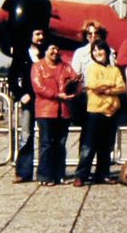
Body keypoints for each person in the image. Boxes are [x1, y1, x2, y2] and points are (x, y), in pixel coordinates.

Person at [73, 40, 126, 187]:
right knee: (88, 146)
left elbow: (121, 87)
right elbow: (93, 85)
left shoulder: (114, 70)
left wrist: (106, 89)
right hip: (95, 111)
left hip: (112, 111)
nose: (98, 53)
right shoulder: (92, 68)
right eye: (94, 51)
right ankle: (81, 175)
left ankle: (102, 174)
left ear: (107, 52)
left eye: (100, 50)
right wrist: (111, 85)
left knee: (106, 145)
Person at [31, 43, 79, 186]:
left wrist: (73, 93)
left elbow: (77, 81)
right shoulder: (38, 67)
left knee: (61, 144)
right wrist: (57, 95)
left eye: (57, 48)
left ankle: (60, 174)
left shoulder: (66, 67)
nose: (55, 51)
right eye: (52, 48)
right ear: (45, 51)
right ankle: (45, 176)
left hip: (63, 111)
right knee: (46, 144)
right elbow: (38, 87)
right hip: (45, 111)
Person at [8, 28, 45, 183]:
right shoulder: (21, 54)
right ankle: (23, 172)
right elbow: (12, 77)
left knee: (46, 138)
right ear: (30, 36)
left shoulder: (48, 53)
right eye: (37, 34)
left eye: (42, 34)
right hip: (29, 101)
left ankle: (46, 172)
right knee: (26, 135)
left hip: (45, 100)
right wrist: (20, 94)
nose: (40, 37)